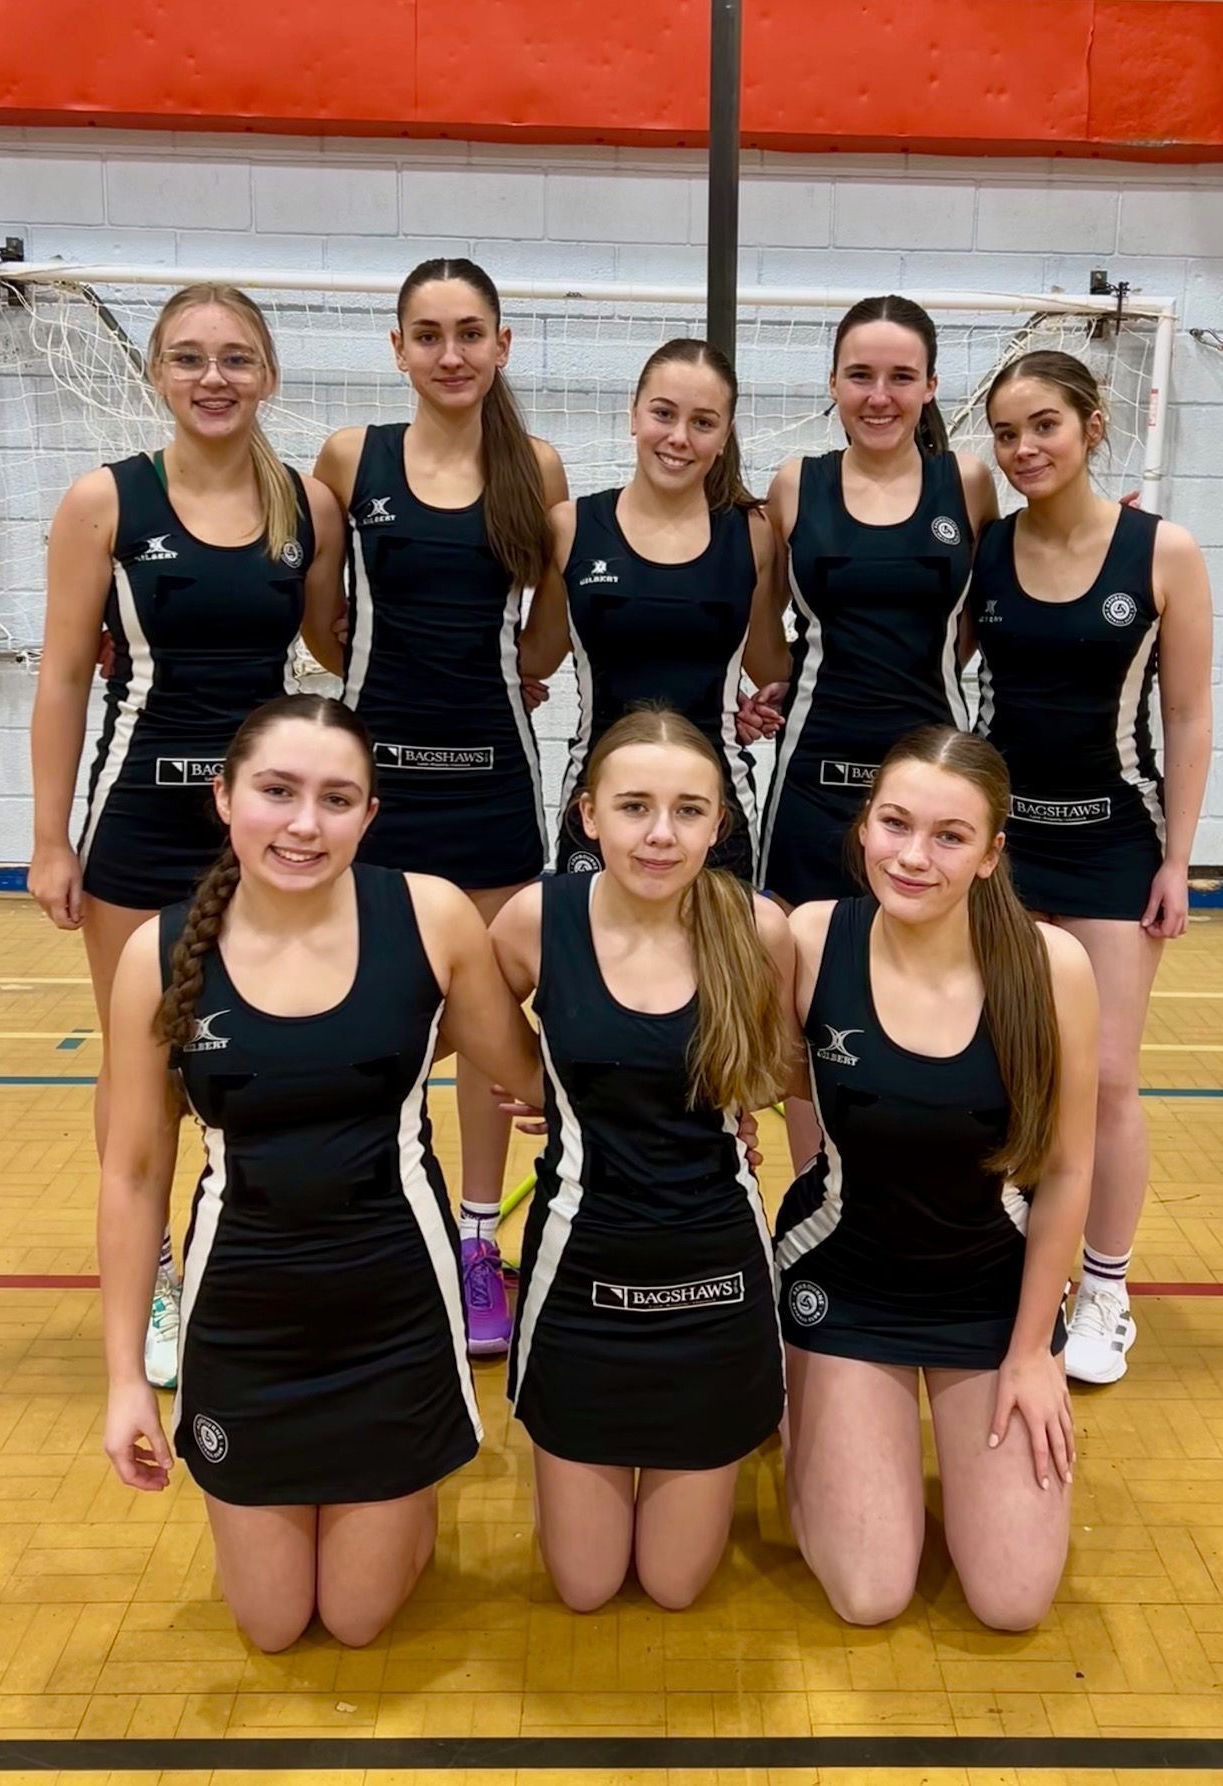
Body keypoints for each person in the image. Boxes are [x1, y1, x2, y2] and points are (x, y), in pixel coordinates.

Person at [98, 694, 544, 1651]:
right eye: (277, 791)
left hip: (393, 1311)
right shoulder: (159, 952)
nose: (304, 823)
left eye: (337, 798)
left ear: (371, 815)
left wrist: (696, 1100)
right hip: (247, 1319)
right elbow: (133, 1176)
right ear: (224, 798)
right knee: (270, 1622)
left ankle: (406, 1490)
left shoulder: (429, 917)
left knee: (355, 1618)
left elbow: (537, 1081)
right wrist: (125, 1378)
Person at [27, 284, 346, 1388]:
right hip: (140, 830)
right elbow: (66, 674)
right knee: (142, 1072)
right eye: (191, 358)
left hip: (264, 838)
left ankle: (258, 1259)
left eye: (236, 359)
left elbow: (337, 647)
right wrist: (50, 838)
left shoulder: (306, 503)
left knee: (261, 1054)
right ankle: (156, 1277)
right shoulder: (103, 503)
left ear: (267, 374)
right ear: (157, 373)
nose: (214, 378)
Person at [776, 726, 1098, 1631]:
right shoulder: (809, 939)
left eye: (950, 836)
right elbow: (723, 1066)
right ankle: (809, 1406)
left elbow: (1071, 1170)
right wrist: (557, 1083)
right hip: (846, 1280)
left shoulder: (1050, 967)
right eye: (894, 824)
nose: (913, 857)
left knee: (1011, 1602)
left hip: (990, 1299)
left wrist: (1034, 1352)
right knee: (871, 1594)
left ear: (993, 853)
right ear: (864, 826)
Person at [314, 258, 567, 1358]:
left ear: (502, 345)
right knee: (379, 1017)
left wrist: (509, 674)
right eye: (428, 334)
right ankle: (385, 1227)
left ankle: (475, 1240)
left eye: (470, 333)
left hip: (494, 786)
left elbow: (550, 633)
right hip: (377, 790)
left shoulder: (538, 467)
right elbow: (327, 625)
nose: (451, 353)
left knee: (485, 1022)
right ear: (397, 347)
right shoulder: (348, 460)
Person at [489, 707, 795, 1611]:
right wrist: (547, 1088)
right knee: (583, 1587)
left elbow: (776, 1073)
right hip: (581, 1276)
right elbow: (466, 1027)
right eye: (633, 807)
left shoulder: (758, 929)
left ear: (720, 824)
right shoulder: (530, 921)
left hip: (714, 1279)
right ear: (588, 815)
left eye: (689, 811)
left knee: (673, 1585)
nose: (660, 835)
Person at [970, 350, 1213, 1385]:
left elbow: (1191, 712)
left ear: (1090, 425)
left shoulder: (1164, 551)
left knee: (1106, 1078)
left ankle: (1103, 1290)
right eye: (1006, 433)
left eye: (1043, 427)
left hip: (1114, 844)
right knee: (1012, 1075)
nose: (1024, 449)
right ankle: (1017, 1265)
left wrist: (1177, 858)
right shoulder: (983, 551)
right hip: (1005, 852)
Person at [754, 294, 999, 905]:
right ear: (834, 381)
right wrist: (792, 680)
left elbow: (976, 620)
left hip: (933, 769)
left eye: (902, 377)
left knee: (922, 959)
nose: (879, 396)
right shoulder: (795, 484)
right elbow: (759, 622)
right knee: (794, 958)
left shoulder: (966, 483)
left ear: (931, 386)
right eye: (860, 375)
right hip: (814, 769)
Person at [520, 337, 787, 881]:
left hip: (715, 810)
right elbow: (532, 657)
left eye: (703, 422)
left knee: (718, 966)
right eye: (663, 413)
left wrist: (753, 701)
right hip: (601, 803)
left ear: (724, 436)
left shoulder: (753, 534)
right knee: (591, 962)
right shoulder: (572, 527)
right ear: (634, 416)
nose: (678, 438)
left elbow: (770, 666)